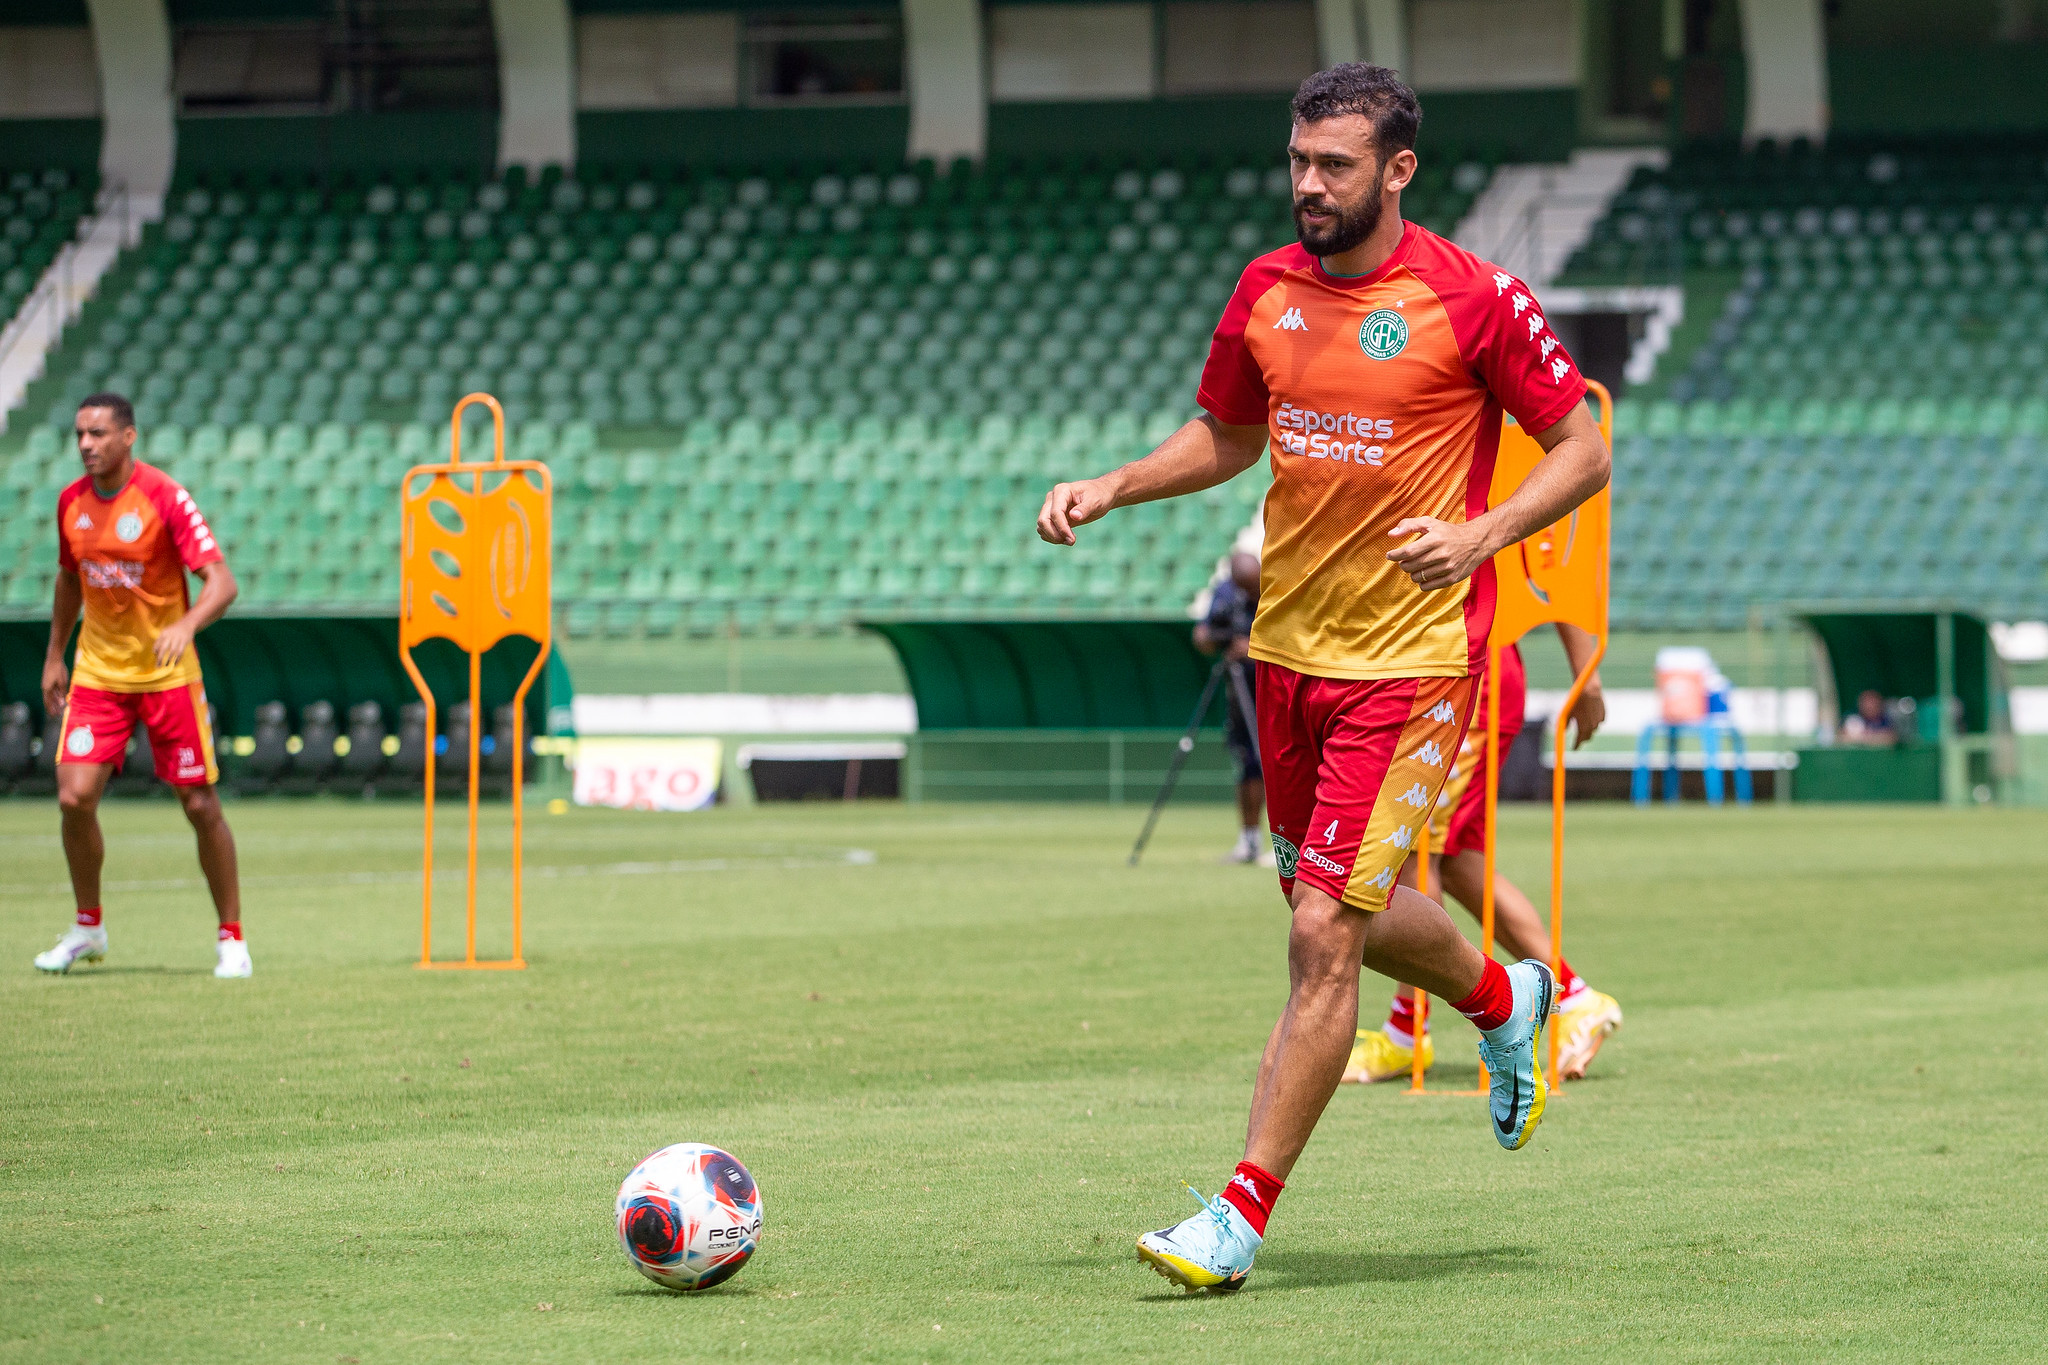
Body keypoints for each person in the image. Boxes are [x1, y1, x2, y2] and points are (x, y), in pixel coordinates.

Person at [1035, 64, 1610, 1293]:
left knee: (1317, 933)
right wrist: (1115, 484)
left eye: (1333, 164)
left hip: (1409, 663)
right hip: (1286, 651)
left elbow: (1582, 447)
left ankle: (1236, 1215)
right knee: (1318, 890)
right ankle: (1502, 998)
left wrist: (1481, 535)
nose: (1307, 183)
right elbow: (1231, 436)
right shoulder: (1265, 291)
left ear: (1396, 170)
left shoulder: (1473, 297)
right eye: (1297, 160)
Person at [1344, 626, 1625, 1085]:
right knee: (1456, 860)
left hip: (1471, 673)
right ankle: (1574, 998)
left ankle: (1408, 1031)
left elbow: (1544, 565)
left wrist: (1587, 674)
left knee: (1417, 851)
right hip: (1450, 665)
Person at [33, 393, 248, 978]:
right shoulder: (70, 504)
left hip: (167, 676)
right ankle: (88, 927)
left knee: (199, 803)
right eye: (79, 434)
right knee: (74, 797)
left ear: (129, 437)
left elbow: (222, 583)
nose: (85, 445)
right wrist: (56, 654)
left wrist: (186, 622)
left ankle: (231, 938)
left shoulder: (164, 496)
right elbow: (69, 578)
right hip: (99, 674)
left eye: (98, 434)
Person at [1192, 550, 1269, 864]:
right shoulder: (1224, 593)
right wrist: (1210, 639)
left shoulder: (1276, 584)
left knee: (1272, 765)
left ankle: (1288, 844)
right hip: (1239, 690)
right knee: (1246, 763)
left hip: (1272, 685)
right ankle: (1248, 840)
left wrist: (1254, 649)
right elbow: (1205, 634)